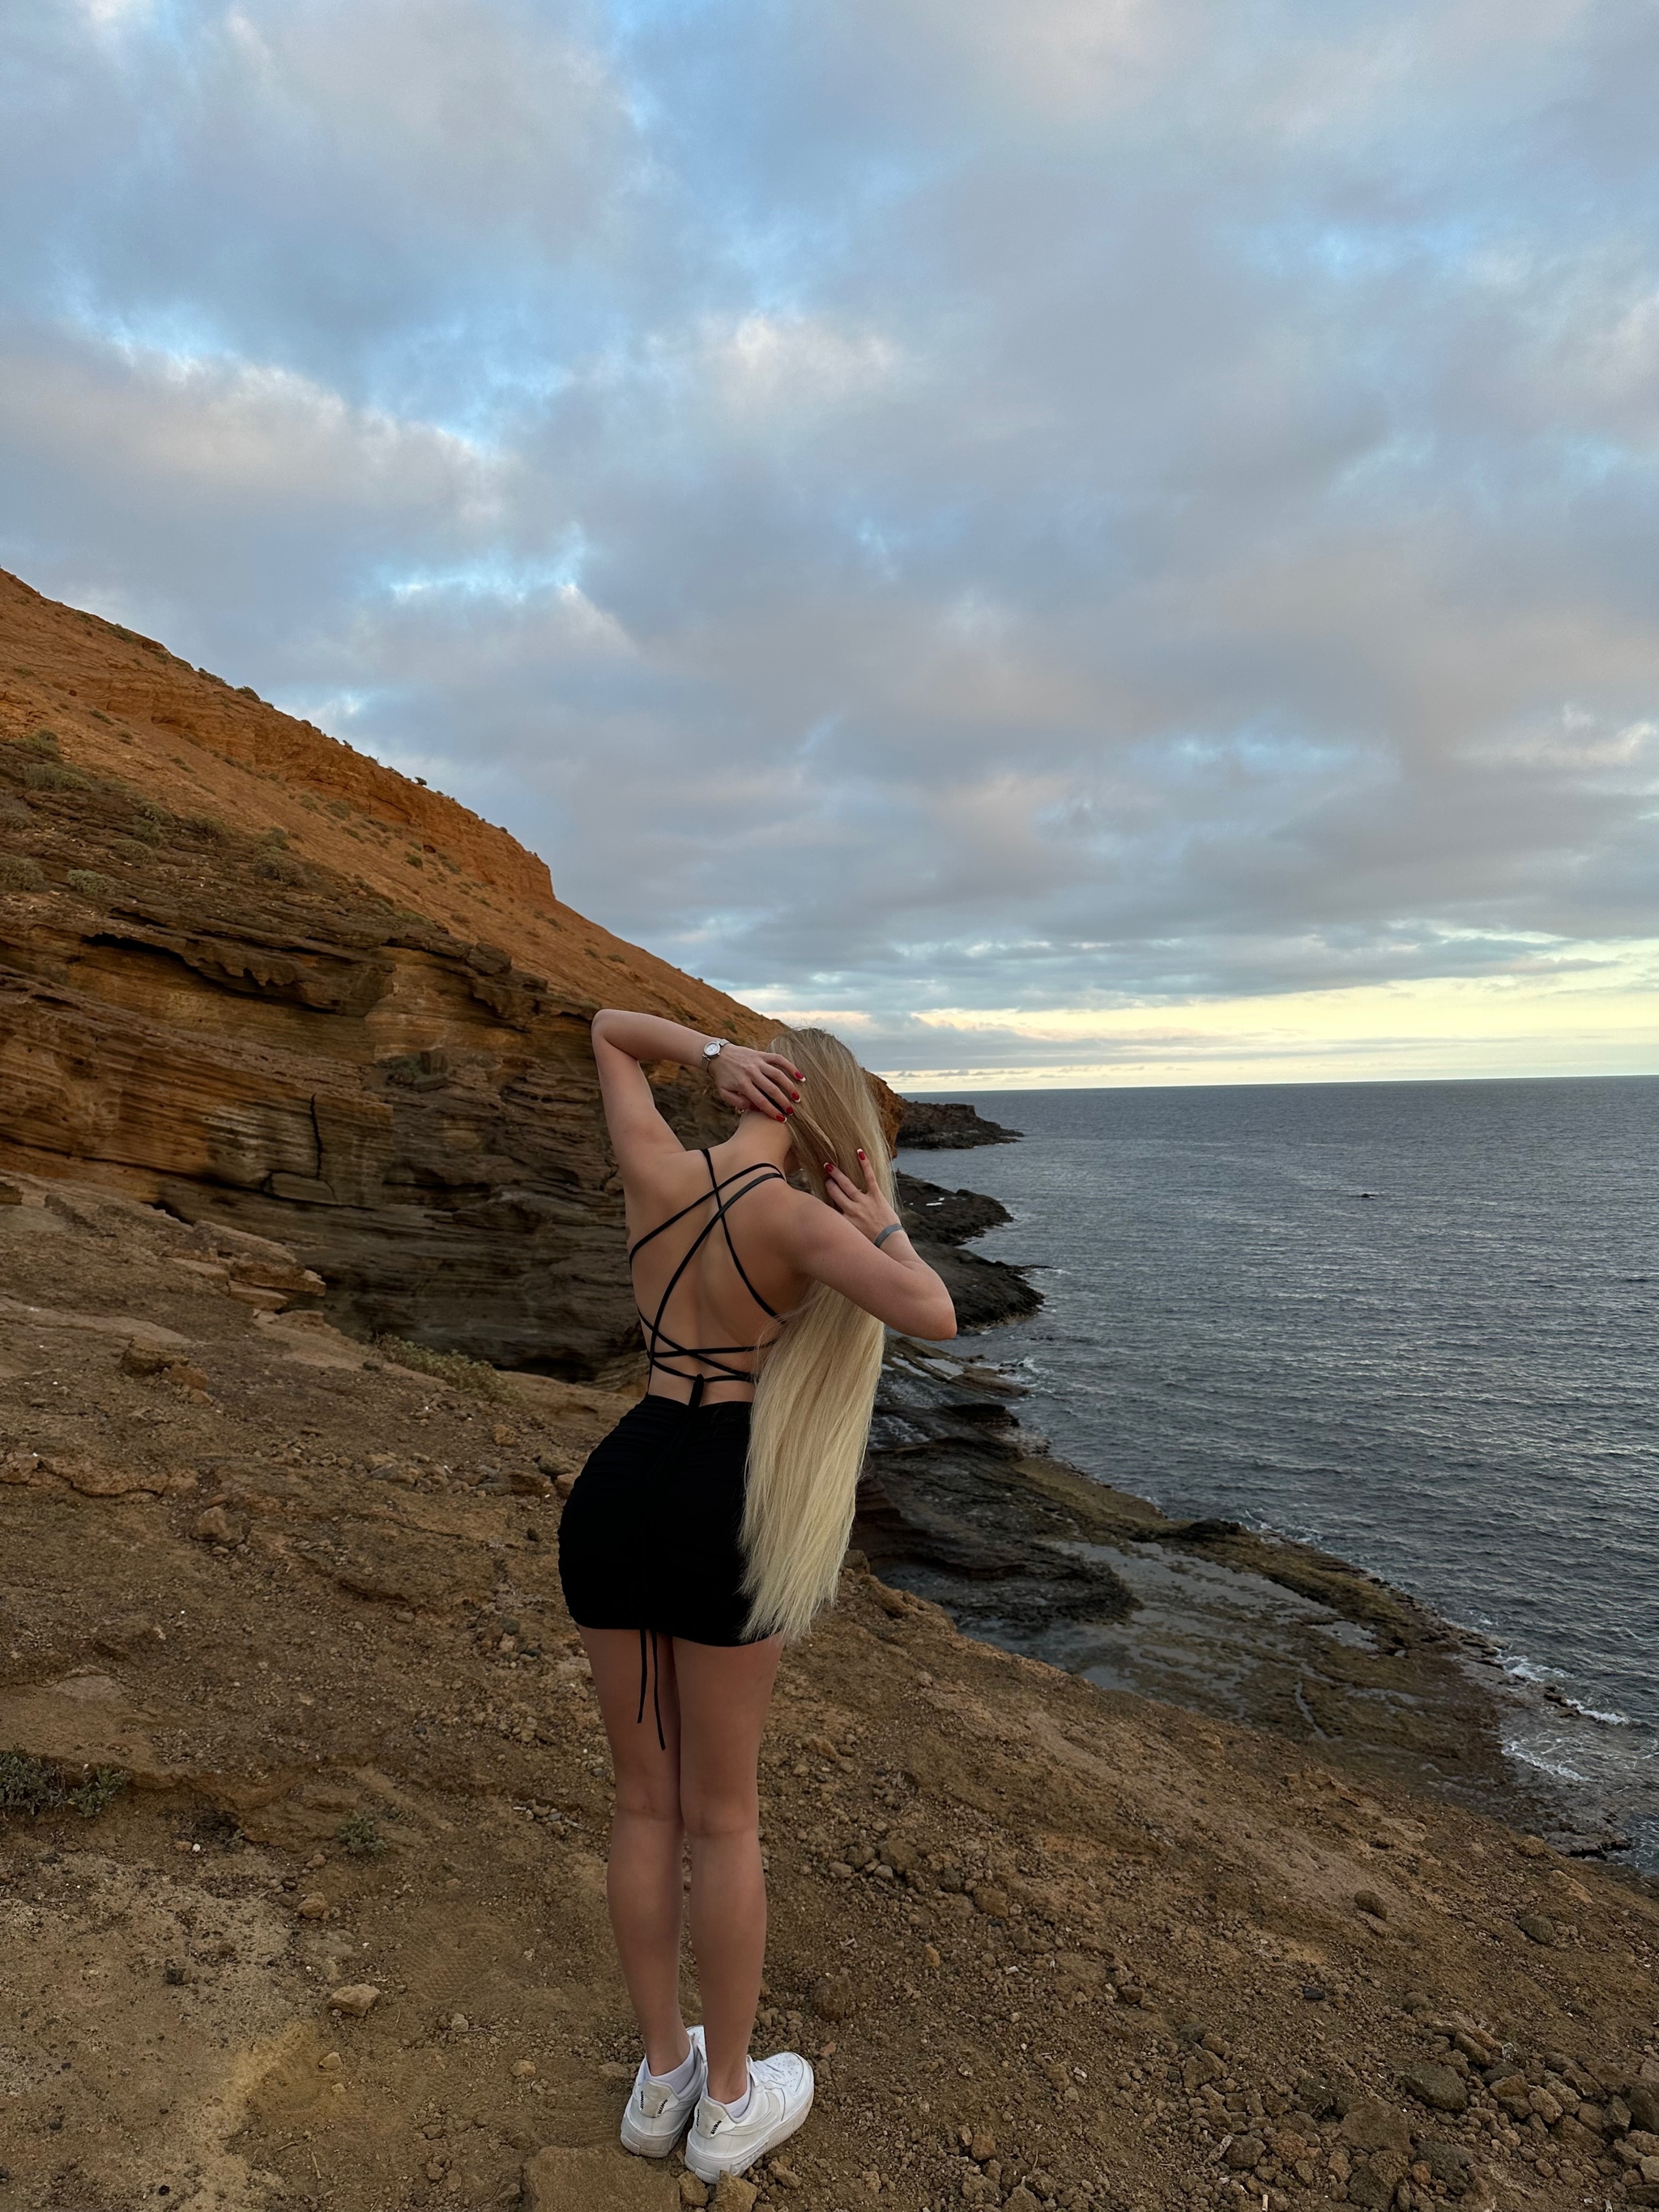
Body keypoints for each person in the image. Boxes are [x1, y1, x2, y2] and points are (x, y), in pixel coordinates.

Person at [557, 1009, 957, 2184]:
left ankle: (660, 2081)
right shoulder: (791, 1220)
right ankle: (729, 2103)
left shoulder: (657, 1170)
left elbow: (606, 1033)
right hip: (723, 1494)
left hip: (621, 1479)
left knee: (642, 1803)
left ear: (748, 1088)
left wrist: (704, 1049)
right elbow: (931, 1310)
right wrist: (878, 1217)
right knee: (720, 1815)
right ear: (822, 1118)